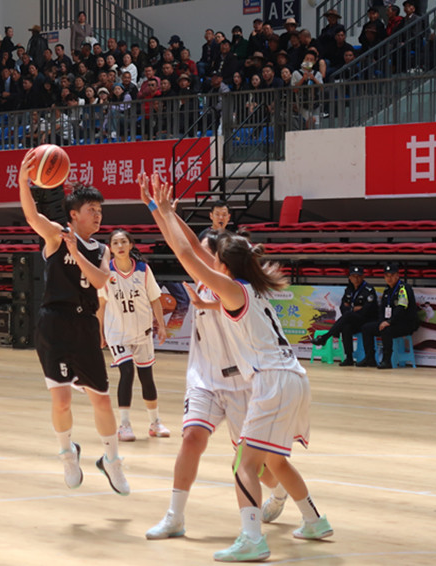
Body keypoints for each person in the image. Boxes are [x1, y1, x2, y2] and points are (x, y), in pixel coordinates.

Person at [141, 173, 332, 561]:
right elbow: (192, 249)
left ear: (223, 265)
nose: (209, 260)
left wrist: (165, 213)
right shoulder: (248, 287)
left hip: (270, 380)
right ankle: (315, 521)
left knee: (244, 464)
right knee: (272, 460)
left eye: (215, 258)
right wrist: (161, 212)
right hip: (291, 378)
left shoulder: (231, 288)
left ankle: (252, 539)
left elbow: (187, 255)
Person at [18, 149, 130, 496]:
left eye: (100, 211)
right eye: (91, 210)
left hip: (84, 326)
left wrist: (77, 253)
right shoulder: (55, 235)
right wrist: (24, 181)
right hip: (54, 323)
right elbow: (31, 216)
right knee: (62, 400)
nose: (97, 216)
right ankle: (68, 454)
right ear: (74, 214)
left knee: (102, 400)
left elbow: (100, 280)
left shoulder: (101, 250)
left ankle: (112, 460)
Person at [97, 229, 169, 442]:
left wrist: (161, 326)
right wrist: (99, 331)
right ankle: (124, 425)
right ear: (110, 248)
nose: (120, 246)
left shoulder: (143, 270)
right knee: (127, 371)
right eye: (115, 243)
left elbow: (155, 299)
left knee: (146, 376)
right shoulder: (106, 272)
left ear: (130, 245)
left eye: (123, 242)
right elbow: (101, 304)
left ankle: (155, 423)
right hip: (117, 332)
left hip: (142, 331)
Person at [311, 266, 378, 366]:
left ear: (363, 277)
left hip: (368, 320)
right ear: (350, 277)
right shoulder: (349, 290)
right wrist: (353, 309)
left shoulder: (368, 290)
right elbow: (343, 307)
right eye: (354, 276)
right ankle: (349, 358)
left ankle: (325, 337)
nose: (356, 279)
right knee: (346, 327)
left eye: (358, 276)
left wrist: (351, 309)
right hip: (354, 320)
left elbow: (367, 310)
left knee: (348, 315)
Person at [358, 263, 420, 369]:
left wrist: (389, 322)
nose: (389, 278)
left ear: (397, 275)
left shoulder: (404, 289)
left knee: (386, 330)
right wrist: (381, 321)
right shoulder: (387, 290)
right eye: (387, 276)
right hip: (390, 322)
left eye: (392, 275)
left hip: (404, 324)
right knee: (366, 328)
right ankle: (370, 358)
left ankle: (387, 360)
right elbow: (382, 309)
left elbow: (401, 308)